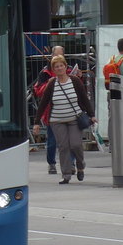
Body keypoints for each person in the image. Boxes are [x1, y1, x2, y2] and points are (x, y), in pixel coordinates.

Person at [32, 55, 95, 183]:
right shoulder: (51, 84)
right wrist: (37, 122)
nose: (59, 68)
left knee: (76, 144)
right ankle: (66, 174)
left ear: (66, 67)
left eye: (61, 66)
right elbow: (43, 103)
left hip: (74, 118)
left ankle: (80, 165)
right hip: (57, 120)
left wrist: (92, 115)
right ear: (53, 70)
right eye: (56, 67)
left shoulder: (75, 81)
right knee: (63, 147)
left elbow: (84, 99)